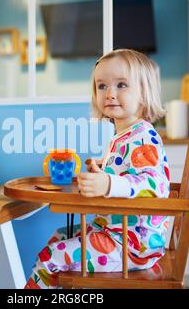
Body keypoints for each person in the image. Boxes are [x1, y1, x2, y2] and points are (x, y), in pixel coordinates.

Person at [24, 49, 171, 289]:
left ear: (145, 93)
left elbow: (154, 184)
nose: (110, 94)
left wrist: (109, 184)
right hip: (114, 232)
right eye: (102, 86)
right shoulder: (123, 136)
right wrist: (102, 172)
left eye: (121, 85)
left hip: (132, 244)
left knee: (52, 256)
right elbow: (127, 172)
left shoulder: (143, 137)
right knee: (60, 236)